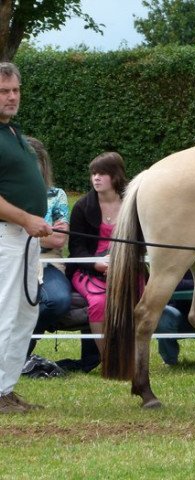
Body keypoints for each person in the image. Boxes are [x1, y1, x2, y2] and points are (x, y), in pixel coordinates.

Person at [0, 62, 53, 413]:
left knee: (24, 313)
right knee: (5, 311)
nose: (12, 96)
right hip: (6, 235)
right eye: (4, 91)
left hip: (27, 236)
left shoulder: (14, 133)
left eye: (15, 90)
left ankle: (6, 387)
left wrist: (39, 223)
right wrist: (26, 218)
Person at [67, 152, 127, 355]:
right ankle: (108, 359)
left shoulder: (132, 205)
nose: (96, 178)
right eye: (93, 174)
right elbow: (76, 248)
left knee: (135, 299)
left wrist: (120, 264)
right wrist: (96, 264)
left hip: (126, 267)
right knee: (98, 302)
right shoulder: (82, 207)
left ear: (116, 176)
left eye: (102, 173)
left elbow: (141, 245)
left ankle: (130, 355)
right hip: (88, 269)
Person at [23, 137, 72, 357]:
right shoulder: (7, 197)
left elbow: (58, 241)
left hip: (49, 262)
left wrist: (23, 230)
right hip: (15, 259)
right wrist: (45, 230)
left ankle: (19, 354)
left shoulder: (57, 195)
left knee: (58, 300)